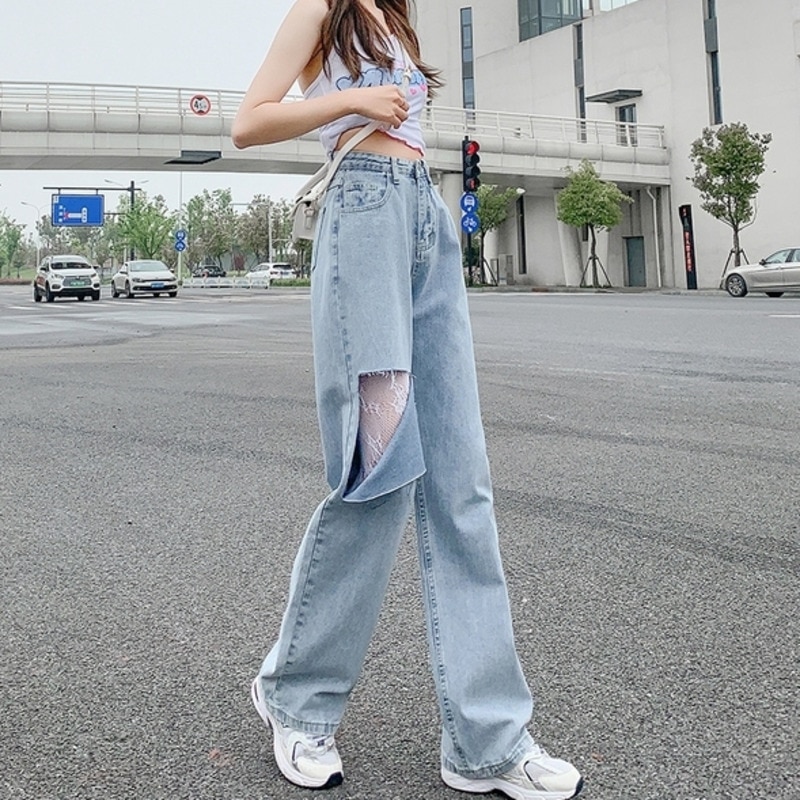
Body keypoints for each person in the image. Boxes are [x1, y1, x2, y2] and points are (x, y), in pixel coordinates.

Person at [232, 2, 583, 798]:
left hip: (425, 215)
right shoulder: (322, 10)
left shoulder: (396, 16)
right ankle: (297, 699)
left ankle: (487, 742)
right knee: (379, 472)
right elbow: (249, 122)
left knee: (462, 483)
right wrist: (355, 100)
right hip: (362, 219)